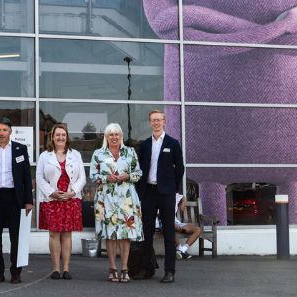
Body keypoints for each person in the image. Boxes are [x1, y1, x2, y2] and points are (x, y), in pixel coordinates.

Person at [0, 117, 34, 284]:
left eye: (4, 130)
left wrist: (28, 200)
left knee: (16, 238)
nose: (1, 133)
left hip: (14, 199)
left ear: (10, 131)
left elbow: (26, 175)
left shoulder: (20, 149)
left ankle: (16, 273)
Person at [90, 123, 143, 283]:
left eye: (117, 134)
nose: (114, 137)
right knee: (111, 234)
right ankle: (113, 268)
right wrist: (106, 178)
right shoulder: (98, 154)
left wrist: (128, 176)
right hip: (106, 199)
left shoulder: (130, 152)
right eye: (111, 134)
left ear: (121, 136)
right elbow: (93, 176)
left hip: (126, 198)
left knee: (125, 235)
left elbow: (138, 173)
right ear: (106, 137)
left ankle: (125, 268)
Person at [137, 110, 185, 284]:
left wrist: (174, 188)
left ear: (164, 121)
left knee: (168, 232)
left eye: (159, 120)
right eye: (153, 120)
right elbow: (140, 169)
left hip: (166, 193)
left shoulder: (173, 143)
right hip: (149, 192)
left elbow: (180, 168)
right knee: (146, 232)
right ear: (150, 123)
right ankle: (147, 268)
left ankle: (169, 271)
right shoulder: (144, 145)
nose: (156, 123)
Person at [35, 123, 86, 280]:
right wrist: (52, 193)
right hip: (52, 200)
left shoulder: (75, 154)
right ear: (52, 137)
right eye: (58, 134)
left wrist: (72, 192)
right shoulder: (45, 156)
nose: (61, 137)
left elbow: (82, 177)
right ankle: (56, 269)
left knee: (67, 234)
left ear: (67, 137)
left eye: (63, 134)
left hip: (70, 199)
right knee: (54, 234)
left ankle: (66, 269)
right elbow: (39, 177)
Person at [174, 193, 199, 260]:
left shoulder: (174, 194)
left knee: (198, 230)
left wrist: (184, 201)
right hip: (163, 222)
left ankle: (182, 250)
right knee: (169, 226)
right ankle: (180, 249)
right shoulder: (159, 196)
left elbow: (182, 197)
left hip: (175, 222)